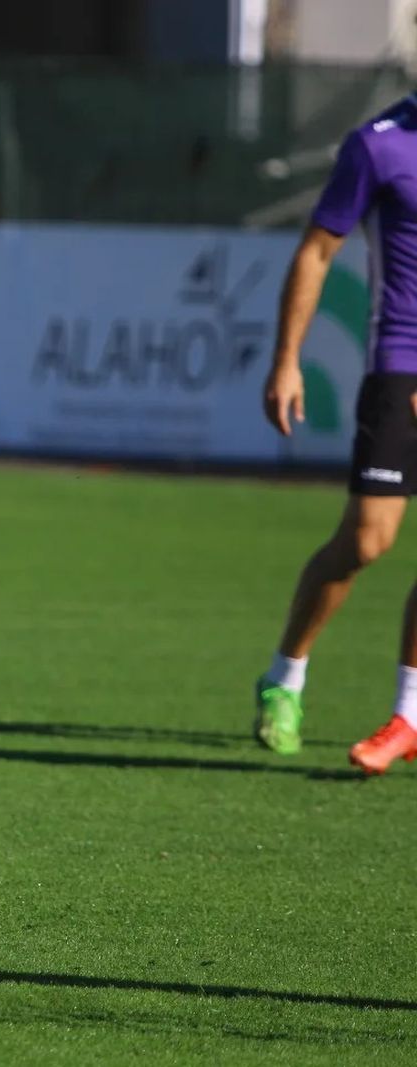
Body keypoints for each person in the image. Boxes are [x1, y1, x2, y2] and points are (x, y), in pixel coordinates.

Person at [257, 95, 417, 774]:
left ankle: (409, 714)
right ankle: (285, 676)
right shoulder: (379, 145)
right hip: (399, 368)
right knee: (365, 541)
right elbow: (318, 251)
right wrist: (288, 359)